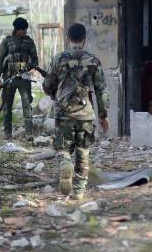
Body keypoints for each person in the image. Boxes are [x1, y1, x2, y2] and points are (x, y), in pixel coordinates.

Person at [42, 23, 109, 200]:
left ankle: (65, 163)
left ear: (67, 38)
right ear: (85, 39)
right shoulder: (93, 60)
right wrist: (103, 115)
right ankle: (79, 191)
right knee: (83, 151)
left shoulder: (58, 58)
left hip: (63, 113)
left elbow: (48, 85)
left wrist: (53, 94)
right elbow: (102, 90)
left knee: (63, 148)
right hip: (85, 113)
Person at [0, 17, 38, 139]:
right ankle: (7, 133)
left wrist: (32, 67)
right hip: (9, 78)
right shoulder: (7, 41)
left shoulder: (29, 42)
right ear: (17, 29)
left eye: (25, 30)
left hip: (24, 78)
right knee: (7, 106)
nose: (25, 32)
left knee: (27, 105)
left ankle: (29, 133)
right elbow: (0, 60)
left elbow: (35, 58)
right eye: (23, 30)